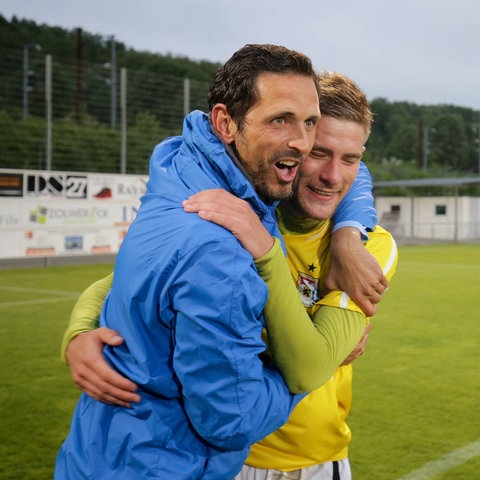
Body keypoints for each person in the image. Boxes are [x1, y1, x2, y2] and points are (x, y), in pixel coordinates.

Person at [55, 45, 380, 480]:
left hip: (312, 461)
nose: (331, 173)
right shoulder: (244, 209)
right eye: (318, 151)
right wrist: (78, 332)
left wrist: (339, 234)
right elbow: (136, 277)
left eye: (351, 159)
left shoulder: (365, 247)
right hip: (228, 455)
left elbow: (306, 369)